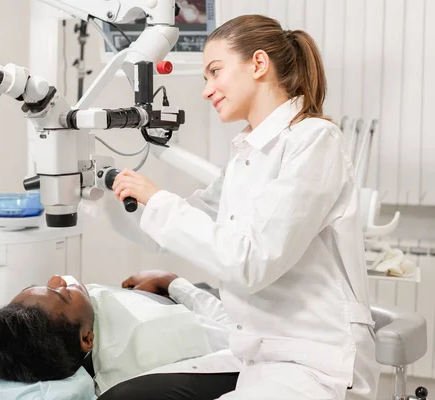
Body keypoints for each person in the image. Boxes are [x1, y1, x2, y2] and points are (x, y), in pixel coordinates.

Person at [111, 14, 379, 400]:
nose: (207, 90)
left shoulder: (315, 140)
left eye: (215, 72)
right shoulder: (245, 156)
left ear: (258, 63)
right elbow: (174, 229)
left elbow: (251, 262)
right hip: (260, 356)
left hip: (317, 361)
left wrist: (158, 199)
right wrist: (97, 196)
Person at [0, 274, 241, 400]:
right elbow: (241, 333)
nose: (58, 278)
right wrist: (174, 282)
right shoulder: (152, 340)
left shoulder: (61, 336)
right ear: (87, 339)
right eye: (64, 293)